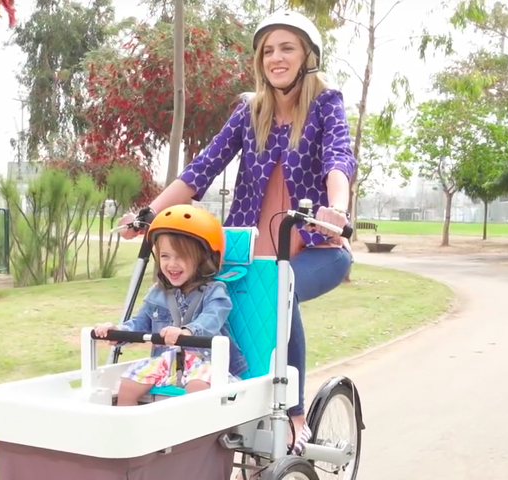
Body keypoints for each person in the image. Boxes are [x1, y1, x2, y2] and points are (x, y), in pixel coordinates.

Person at [118, 11, 356, 449]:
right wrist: (147, 214)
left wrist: (336, 209)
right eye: (268, 50)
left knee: (282, 291)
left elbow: (339, 159)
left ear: (308, 57)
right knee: (228, 315)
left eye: (287, 48)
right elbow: (202, 169)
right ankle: (237, 412)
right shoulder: (249, 111)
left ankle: (293, 415)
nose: (276, 58)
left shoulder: (326, 103)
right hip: (248, 249)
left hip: (318, 247)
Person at [96, 205, 247, 406]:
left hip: (206, 362)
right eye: (165, 256)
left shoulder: (215, 291)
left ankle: (197, 436)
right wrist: (117, 332)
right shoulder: (157, 293)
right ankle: (130, 433)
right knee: (128, 384)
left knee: (197, 386)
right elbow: (139, 323)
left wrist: (187, 331)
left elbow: (212, 318)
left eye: (181, 256)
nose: (171, 264)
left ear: (203, 259)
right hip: (166, 360)